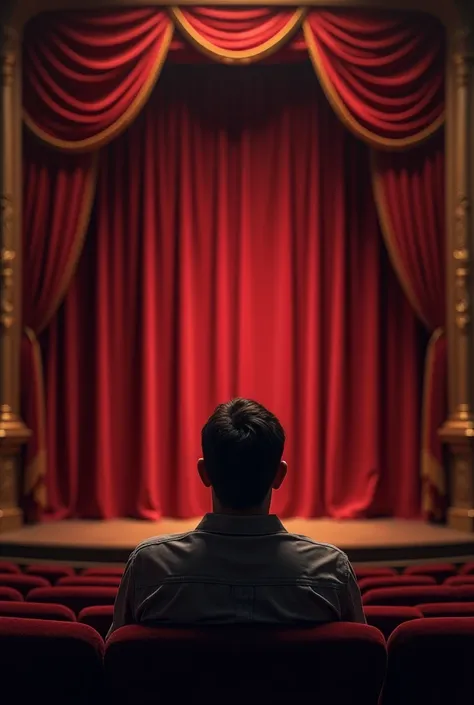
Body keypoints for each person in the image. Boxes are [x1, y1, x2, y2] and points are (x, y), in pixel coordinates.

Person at [108, 398, 365, 636]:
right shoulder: (331, 571)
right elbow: (361, 664)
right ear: (279, 475)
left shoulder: (149, 567)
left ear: (204, 472)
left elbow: (117, 664)